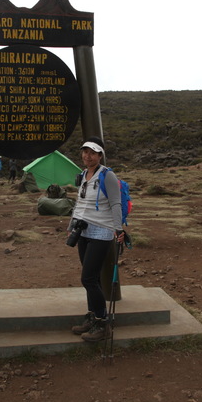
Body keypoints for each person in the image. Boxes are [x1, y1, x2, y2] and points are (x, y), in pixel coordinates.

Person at [67, 137, 125, 342]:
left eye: (92, 153)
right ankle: (92, 317)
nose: (87, 156)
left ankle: (102, 322)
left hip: (101, 231)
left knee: (88, 279)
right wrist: (71, 226)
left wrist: (118, 229)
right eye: (85, 152)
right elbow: (80, 203)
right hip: (83, 231)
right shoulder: (84, 174)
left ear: (100, 155)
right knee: (93, 278)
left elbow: (116, 204)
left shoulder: (107, 175)